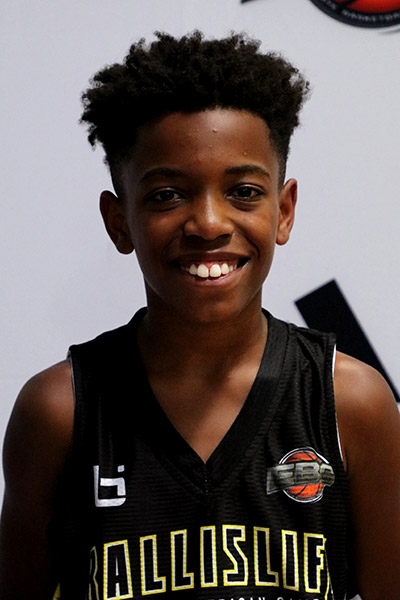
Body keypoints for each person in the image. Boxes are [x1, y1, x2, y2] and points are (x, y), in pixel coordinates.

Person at [0, 31, 399, 600]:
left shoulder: (350, 404)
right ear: (118, 221)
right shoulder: (60, 412)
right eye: (167, 195)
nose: (209, 223)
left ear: (284, 211)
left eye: (244, 191)